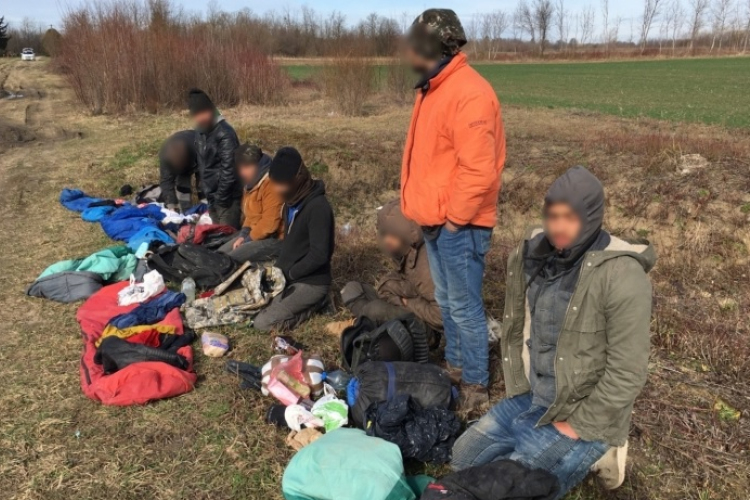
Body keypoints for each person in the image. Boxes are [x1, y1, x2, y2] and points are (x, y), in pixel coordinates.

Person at [451, 166, 656, 499]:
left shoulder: (622, 276)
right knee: (462, 461)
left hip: (578, 411)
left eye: (569, 218)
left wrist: (579, 426)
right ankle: (538, 451)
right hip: (534, 398)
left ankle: (603, 450)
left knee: (515, 491)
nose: (557, 227)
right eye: (552, 215)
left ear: (590, 218)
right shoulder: (538, 255)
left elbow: (628, 372)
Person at [399, 9, 506, 410]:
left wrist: (456, 220)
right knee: (447, 301)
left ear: (432, 47)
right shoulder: (434, 87)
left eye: (414, 46)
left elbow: (479, 170)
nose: (408, 54)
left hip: (459, 224)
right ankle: (457, 367)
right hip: (436, 219)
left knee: (464, 305)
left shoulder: (469, 92)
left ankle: (476, 386)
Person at [253, 147, 335, 332]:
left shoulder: (318, 208)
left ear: (297, 179)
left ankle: (318, 304)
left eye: (282, 184)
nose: (277, 189)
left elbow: (320, 255)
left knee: (263, 324)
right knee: (254, 305)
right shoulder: (290, 203)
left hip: (311, 282)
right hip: (288, 275)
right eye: (275, 183)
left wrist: (291, 274)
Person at [340, 199, 441, 332]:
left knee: (374, 310)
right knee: (352, 289)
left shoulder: (425, 265)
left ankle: (359, 326)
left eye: (393, 234)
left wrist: (406, 302)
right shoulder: (403, 251)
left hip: (423, 327)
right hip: (402, 306)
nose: (387, 239)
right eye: (384, 233)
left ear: (406, 234)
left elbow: (440, 317)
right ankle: (367, 325)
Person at [217, 144, 284, 263]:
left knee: (230, 260)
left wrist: (247, 240)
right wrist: (243, 235)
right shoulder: (250, 184)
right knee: (219, 254)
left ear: (258, 165)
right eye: (240, 168)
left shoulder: (271, 184)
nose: (243, 172)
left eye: (247, 167)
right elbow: (250, 216)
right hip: (255, 235)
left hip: (274, 240)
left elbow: (269, 225)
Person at [188, 88, 242, 229]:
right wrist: (207, 193)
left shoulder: (225, 134)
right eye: (197, 115)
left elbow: (230, 170)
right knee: (217, 237)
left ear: (211, 110)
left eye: (203, 113)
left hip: (227, 199)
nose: (201, 118)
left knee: (227, 238)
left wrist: (221, 199)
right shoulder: (200, 133)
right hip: (211, 196)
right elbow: (202, 164)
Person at [158, 130, 203, 213]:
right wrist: (172, 206)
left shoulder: (201, 146)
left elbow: (207, 174)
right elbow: (166, 182)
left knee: (203, 183)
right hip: (182, 159)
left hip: (199, 155)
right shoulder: (165, 157)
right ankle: (186, 211)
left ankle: (206, 208)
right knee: (182, 186)